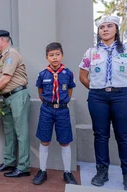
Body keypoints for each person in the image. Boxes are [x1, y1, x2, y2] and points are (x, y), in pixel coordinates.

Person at [79, 15, 127, 191]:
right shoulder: (91, 52)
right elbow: (82, 76)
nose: (105, 29)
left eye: (109, 26)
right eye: (102, 27)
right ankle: (101, 172)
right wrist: (97, 89)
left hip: (121, 96)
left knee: (124, 136)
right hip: (98, 97)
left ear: (116, 29)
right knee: (100, 135)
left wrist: (122, 88)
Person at [32, 42, 77, 185]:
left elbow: (70, 89)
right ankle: (42, 170)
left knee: (65, 141)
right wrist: (48, 102)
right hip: (47, 110)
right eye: (51, 55)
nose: (55, 58)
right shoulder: (42, 74)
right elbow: (40, 91)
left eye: (57, 54)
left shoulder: (68, 73)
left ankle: (67, 172)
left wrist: (65, 101)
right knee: (44, 140)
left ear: (62, 55)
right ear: (47, 58)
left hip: (62, 110)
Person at [0, 30, 31, 177]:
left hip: (17, 95)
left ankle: (23, 167)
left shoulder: (11, 54)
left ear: (3, 40)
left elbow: (5, 79)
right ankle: (9, 162)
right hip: (6, 97)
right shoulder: (3, 57)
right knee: (9, 132)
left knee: (21, 132)